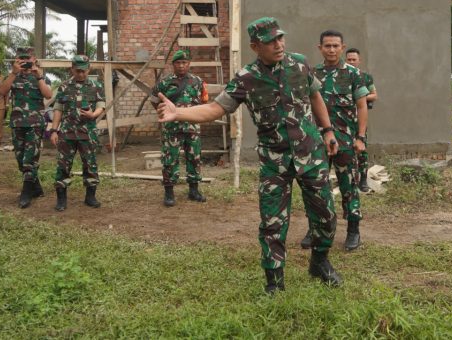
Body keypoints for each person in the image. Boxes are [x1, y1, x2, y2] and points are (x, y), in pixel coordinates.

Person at [156, 17, 343, 294]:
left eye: (280, 38)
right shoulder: (247, 78)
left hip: (310, 154)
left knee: (326, 215)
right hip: (274, 163)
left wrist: (327, 130)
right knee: (272, 223)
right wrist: (178, 113)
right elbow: (215, 109)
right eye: (270, 42)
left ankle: (320, 262)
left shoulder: (300, 64)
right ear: (256, 46)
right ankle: (274, 282)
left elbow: (315, 96)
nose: (279, 45)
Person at [301, 31, 368, 251]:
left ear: (342, 47)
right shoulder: (312, 73)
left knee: (349, 186)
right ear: (319, 47)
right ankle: (315, 229)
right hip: (318, 141)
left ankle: (353, 231)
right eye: (327, 46)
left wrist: (360, 137)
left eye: (335, 46)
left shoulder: (353, 74)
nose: (331, 50)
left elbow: (361, 106)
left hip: (346, 141)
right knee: (316, 188)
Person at [150, 49, 209, 207]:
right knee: (170, 159)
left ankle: (194, 190)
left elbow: (204, 100)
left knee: (194, 158)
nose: (181, 66)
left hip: (192, 126)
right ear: (173, 65)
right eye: (178, 63)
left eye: (184, 63)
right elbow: (154, 98)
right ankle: (169, 192)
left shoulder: (197, 81)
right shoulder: (165, 82)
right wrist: (162, 110)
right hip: (172, 127)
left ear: (189, 64)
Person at [49, 55, 105, 211]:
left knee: (90, 164)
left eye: (84, 71)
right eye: (78, 70)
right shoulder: (64, 87)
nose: (81, 74)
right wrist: (54, 130)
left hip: (88, 133)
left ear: (89, 69)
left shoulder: (96, 86)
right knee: (63, 165)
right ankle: (61, 198)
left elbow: (101, 105)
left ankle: (90, 196)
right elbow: (58, 109)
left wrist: (93, 115)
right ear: (72, 69)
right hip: (67, 133)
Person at [0, 47, 52, 208]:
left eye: (28, 58)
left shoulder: (40, 76)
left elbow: (48, 95)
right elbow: (2, 91)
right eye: (21, 58)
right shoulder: (13, 76)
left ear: (34, 59)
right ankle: (36, 187)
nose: (25, 61)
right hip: (17, 123)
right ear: (16, 59)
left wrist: (39, 76)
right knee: (20, 159)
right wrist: (13, 73)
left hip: (35, 123)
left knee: (30, 159)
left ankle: (26, 193)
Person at [345, 48, 378, 192]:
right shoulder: (340, 75)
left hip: (359, 121)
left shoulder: (366, 77)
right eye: (349, 59)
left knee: (362, 151)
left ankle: (363, 180)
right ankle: (347, 180)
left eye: (354, 59)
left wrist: (358, 97)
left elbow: (374, 95)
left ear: (359, 61)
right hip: (342, 120)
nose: (351, 62)